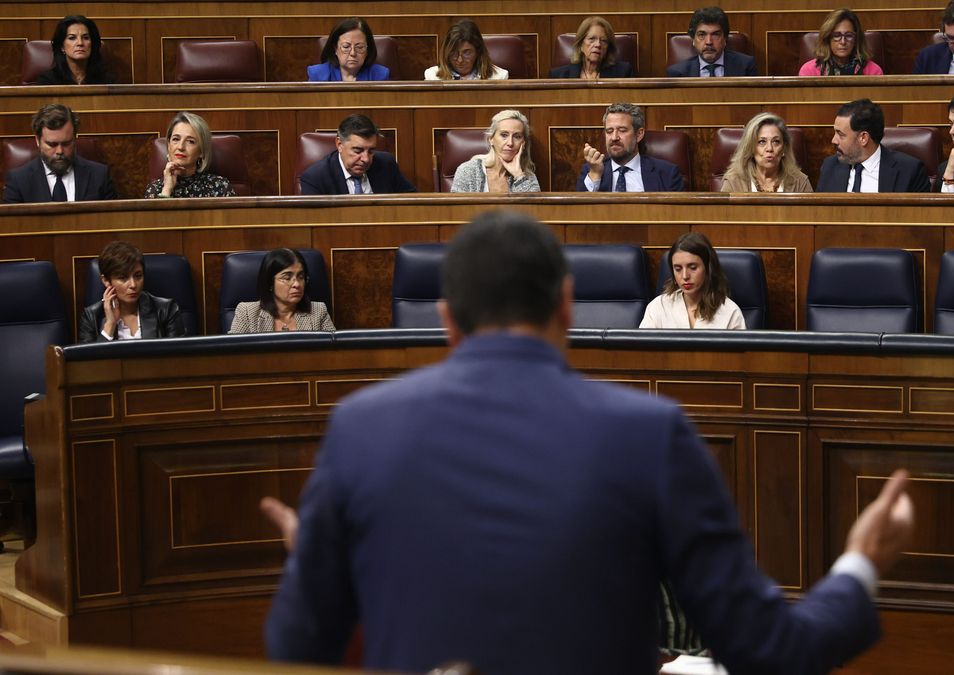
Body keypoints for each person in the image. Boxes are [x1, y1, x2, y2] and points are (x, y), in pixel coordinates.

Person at [264, 208, 915, 675]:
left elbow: (297, 644)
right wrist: (860, 563)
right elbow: (772, 650)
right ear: (568, 304)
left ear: (445, 320)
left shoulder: (358, 428)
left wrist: (320, 567)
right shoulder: (650, 433)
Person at [3, 104, 118, 203]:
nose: (60, 151)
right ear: (37, 141)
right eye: (52, 145)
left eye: (66, 143)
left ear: (75, 138)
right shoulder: (18, 181)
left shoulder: (99, 176)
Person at [78, 241, 186, 343]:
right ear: (106, 281)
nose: (133, 285)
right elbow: (91, 361)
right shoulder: (91, 317)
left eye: (138, 276)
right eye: (123, 278)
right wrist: (110, 324)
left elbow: (178, 359)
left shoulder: (166, 310)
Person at [817, 99, 931, 193]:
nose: (834, 140)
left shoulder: (909, 171)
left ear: (863, 138)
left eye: (840, 134)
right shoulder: (830, 167)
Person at [641, 232, 746, 329]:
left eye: (693, 267)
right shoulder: (658, 307)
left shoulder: (730, 312)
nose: (685, 276)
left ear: (708, 268)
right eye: (678, 269)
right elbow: (640, 347)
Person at [577, 103, 684, 192]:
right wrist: (595, 175)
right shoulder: (590, 171)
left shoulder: (667, 173)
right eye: (609, 131)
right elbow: (579, 212)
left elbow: (677, 215)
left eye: (622, 130)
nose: (614, 137)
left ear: (639, 134)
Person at [299, 114, 416, 195]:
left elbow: (412, 202)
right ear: (339, 144)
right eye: (357, 151)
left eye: (371, 151)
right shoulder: (315, 178)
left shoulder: (386, 164)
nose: (365, 159)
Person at [229, 248, 335, 333]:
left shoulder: (318, 311)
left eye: (301, 277)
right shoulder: (247, 313)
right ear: (270, 282)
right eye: (287, 278)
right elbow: (231, 354)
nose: (297, 284)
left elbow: (333, 354)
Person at [143, 112, 236, 198]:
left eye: (190, 141)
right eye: (176, 139)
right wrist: (167, 189)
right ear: (168, 145)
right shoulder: (155, 189)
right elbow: (157, 216)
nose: (180, 147)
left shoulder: (220, 186)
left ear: (202, 151)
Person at [450, 109, 540, 193]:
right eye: (504, 135)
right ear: (491, 139)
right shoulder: (468, 170)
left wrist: (518, 175)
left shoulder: (528, 178)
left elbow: (532, 208)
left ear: (523, 143)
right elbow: (457, 209)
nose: (510, 143)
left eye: (517, 136)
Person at [719, 113, 812, 193]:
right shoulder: (734, 182)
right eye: (762, 142)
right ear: (750, 148)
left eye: (776, 141)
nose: (770, 148)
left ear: (784, 148)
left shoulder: (800, 182)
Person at [666, 7, 758, 77]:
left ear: (725, 38)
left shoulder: (746, 66)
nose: (709, 42)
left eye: (715, 34)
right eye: (702, 35)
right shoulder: (677, 73)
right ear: (693, 40)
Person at [35, 15, 118, 85]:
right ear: (62, 47)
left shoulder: (108, 81)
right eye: (72, 38)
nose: (80, 43)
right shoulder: (47, 81)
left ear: (92, 44)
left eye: (86, 38)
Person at [798, 9, 883, 76]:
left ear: (856, 39)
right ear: (827, 37)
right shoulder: (809, 71)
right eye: (836, 35)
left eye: (849, 35)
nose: (843, 42)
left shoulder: (873, 71)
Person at [549, 16, 635, 79]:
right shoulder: (558, 76)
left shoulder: (623, 73)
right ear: (580, 45)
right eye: (591, 39)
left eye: (604, 41)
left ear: (608, 48)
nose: (598, 44)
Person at [307, 18, 389, 82]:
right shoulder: (317, 75)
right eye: (346, 47)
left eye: (359, 47)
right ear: (335, 48)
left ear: (367, 50)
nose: (353, 53)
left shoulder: (380, 75)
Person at [425, 20, 509, 80]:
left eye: (466, 53)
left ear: (478, 51)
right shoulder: (432, 77)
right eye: (454, 53)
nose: (460, 60)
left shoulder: (499, 77)